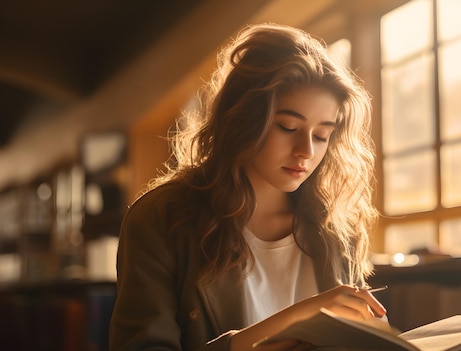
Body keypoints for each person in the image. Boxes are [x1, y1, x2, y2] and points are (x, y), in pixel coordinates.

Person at [108, 22, 386, 351]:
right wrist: (297, 317)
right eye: (288, 126)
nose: (306, 151)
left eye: (322, 135)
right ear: (243, 118)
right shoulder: (160, 219)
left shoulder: (337, 228)